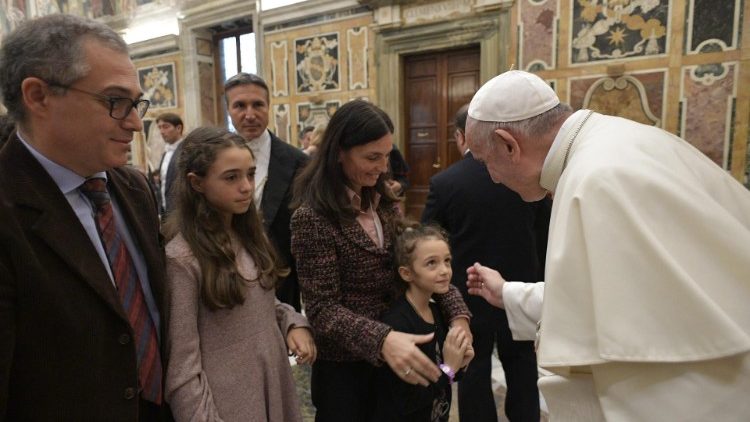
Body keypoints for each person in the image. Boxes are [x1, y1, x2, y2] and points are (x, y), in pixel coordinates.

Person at [464, 70, 750, 420]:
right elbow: (627, 296)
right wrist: (508, 293)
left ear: (509, 144)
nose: (492, 177)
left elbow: (644, 352)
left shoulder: (595, 180)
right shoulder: (622, 141)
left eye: (485, 161)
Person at [0, 14, 171, 420]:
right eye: (115, 102)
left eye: (136, 103)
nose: (134, 122)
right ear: (38, 96)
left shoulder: (132, 188)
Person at [290, 99, 471, 421]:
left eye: (386, 155)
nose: (382, 166)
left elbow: (419, 267)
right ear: (338, 153)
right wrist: (382, 339)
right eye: (372, 157)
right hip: (348, 372)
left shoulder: (382, 202)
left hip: (396, 357)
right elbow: (321, 310)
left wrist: (458, 318)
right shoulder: (313, 218)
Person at [163, 127, 315, 421]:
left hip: (270, 382)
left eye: (250, 174)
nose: (246, 186)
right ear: (197, 183)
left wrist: (291, 323)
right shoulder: (182, 260)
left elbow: (258, 303)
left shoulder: (248, 235)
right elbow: (182, 368)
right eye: (231, 177)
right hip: (228, 400)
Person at [422, 103, 548, 421]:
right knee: (521, 365)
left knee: (473, 367)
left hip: (468, 290)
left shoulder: (444, 183)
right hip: (521, 286)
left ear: (459, 136)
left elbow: (427, 242)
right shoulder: (527, 175)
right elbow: (545, 234)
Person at [224, 72, 308, 312]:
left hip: (281, 281)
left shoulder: (298, 162)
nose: (249, 114)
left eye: (257, 104)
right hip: (228, 281)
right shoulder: (212, 160)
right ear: (229, 110)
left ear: (268, 107)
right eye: (240, 105)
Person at [373, 222, 473, 422]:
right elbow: (406, 401)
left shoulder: (437, 311)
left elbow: (448, 375)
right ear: (406, 273)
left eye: (447, 261)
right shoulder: (398, 324)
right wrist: (449, 369)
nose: (444, 270)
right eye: (431, 263)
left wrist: (461, 363)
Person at [156, 112, 184, 215]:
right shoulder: (165, 153)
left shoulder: (186, 151)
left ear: (178, 128)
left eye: (165, 127)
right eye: (160, 128)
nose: (162, 131)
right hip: (166, 210)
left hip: (182, 212)